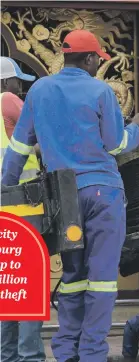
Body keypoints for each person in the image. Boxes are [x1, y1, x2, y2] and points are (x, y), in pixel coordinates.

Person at [1, 30, 139, 362]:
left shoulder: (39, 90)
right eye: (97, 58)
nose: (98, 63)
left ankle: (67, 349)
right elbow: (115, 144)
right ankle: (92, 353)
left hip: (64, 198)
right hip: (103, 195)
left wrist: (4, 193)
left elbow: (17, 150)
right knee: (100, 279)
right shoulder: (100, 91)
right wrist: (138, 128)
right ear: (87, 59)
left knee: (72, 276)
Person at [0, 56, 46, 362]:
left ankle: (7, 356)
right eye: (18, 82)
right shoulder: (8, 100)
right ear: (5, 82)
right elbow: (41, 139)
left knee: (9, 286)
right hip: (22, 206)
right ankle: (29, 357)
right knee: (28, 284)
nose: (21, 89)